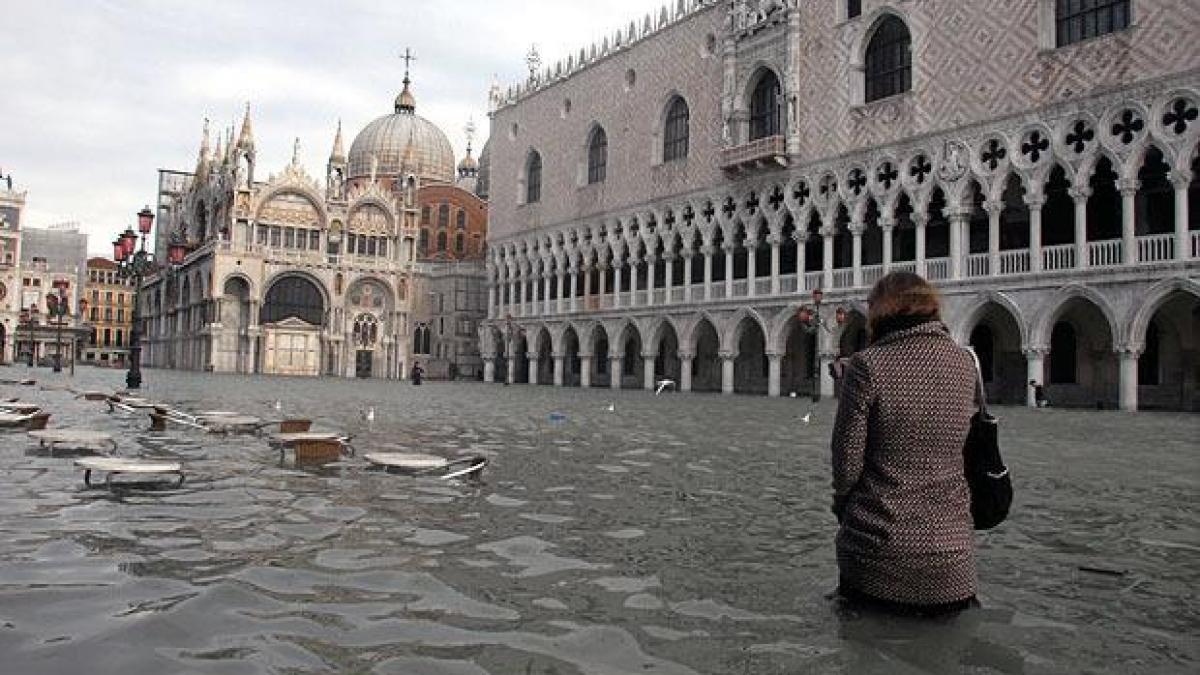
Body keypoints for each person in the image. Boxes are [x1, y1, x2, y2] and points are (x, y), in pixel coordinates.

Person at [831, 272, 979, 616]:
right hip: (953, 560)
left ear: (880, 310)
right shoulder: (965, 363)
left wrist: (843, 507)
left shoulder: (867, 365)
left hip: (878, 555)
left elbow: (847, 462)